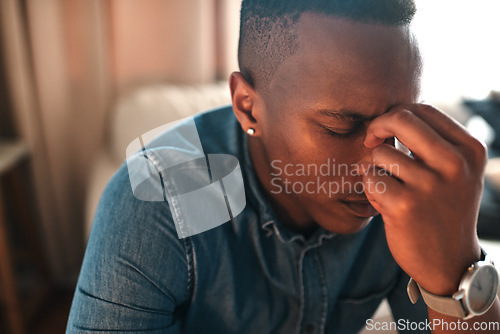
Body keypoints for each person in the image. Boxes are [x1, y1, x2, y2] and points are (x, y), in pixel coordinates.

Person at [66, 0, 500, 333]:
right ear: (248, 107)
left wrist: (456, 270)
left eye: (399, 125)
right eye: (340, 126)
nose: (380, 167)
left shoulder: (413, 194)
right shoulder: (159, 204)